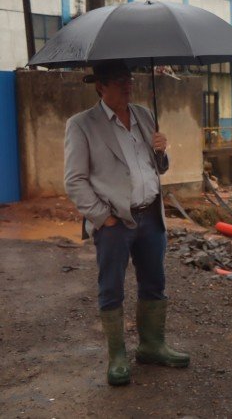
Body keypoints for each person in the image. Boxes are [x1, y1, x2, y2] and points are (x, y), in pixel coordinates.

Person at [64, 60, 189, 387]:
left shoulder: (144, 115)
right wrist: (102, 218)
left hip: (151, 214)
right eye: (120, 80)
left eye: (129, 79)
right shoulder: (82, 125)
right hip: (115, 222)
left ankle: (151, 345)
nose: (128, 85)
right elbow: (75, 180)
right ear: (100, 86)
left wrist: (162, 153)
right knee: (111, 287)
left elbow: (157, 168)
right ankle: (118, 356)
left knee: (154, 282)